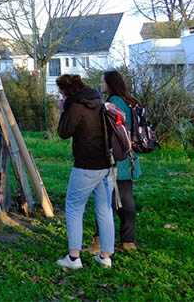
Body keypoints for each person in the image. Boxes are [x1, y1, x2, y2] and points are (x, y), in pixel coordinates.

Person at [55, 74, 115, 269]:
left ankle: (73, 258)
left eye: (61, 92)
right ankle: (105, 257)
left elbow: (63, 132)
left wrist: (63, 110)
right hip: (106, 164)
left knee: (74, 208)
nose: (60, 95)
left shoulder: (76, 106)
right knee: (105, 210)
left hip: (86, 166)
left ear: (66, 91)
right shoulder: (98, 101)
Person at [87, 70, 142, 253]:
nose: (101, 84)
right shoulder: (131, 102)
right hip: (129, 159)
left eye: (103, 82)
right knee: (126, 202)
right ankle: (128, 241)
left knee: (105, 202)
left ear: (110, 84)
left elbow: (105, 132)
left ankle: (99, 242)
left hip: (114, 159)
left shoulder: (113, 104)